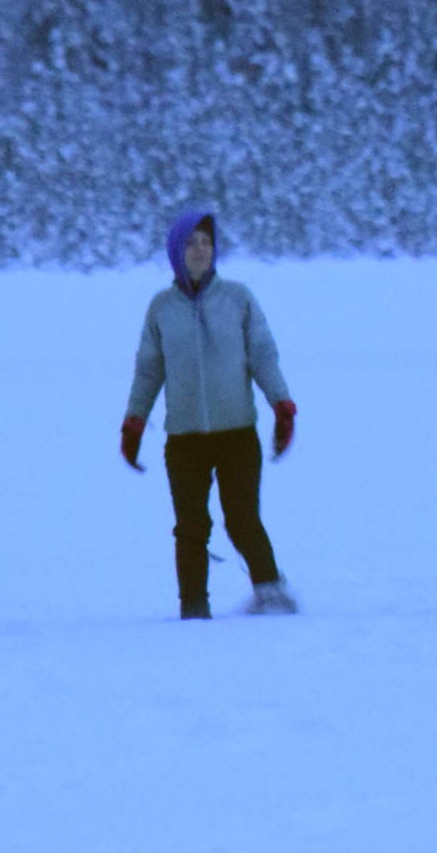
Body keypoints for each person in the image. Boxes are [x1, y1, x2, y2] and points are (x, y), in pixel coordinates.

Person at [122, 208, 298, 620]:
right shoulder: (162, 308)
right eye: (191, 243)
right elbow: (149, 370)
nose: (201, 250)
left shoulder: (238, 299)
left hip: (237, 432)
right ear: (176, 252)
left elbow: (263, 355)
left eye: (207, 242)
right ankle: (194, 611)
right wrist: (134, 422)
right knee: (190, 527)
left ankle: (271, 594)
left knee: (240, 518)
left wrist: (282, 405)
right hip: (184, 439)